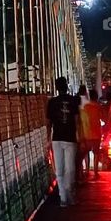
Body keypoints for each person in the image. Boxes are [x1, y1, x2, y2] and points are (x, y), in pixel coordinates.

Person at [46, 76, 80, 207]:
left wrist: (48, 139)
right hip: (70, 138)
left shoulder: (52, 102)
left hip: (57, 138)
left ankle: (65, 196)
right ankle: (65, 197)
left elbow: (48, 123)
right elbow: (77, 120)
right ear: (66, 86)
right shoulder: (72, 101)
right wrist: (78, 134)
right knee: (70, 169)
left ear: (56, 87)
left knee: (60, 170)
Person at [81, 88, 103, 177]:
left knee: (86, 153)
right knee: (96, 153)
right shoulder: (99, 107)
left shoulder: (86, 107)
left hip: (87, 133)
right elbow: (102, 117)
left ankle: (86, 170)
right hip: (97, 133)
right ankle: (96, 172)